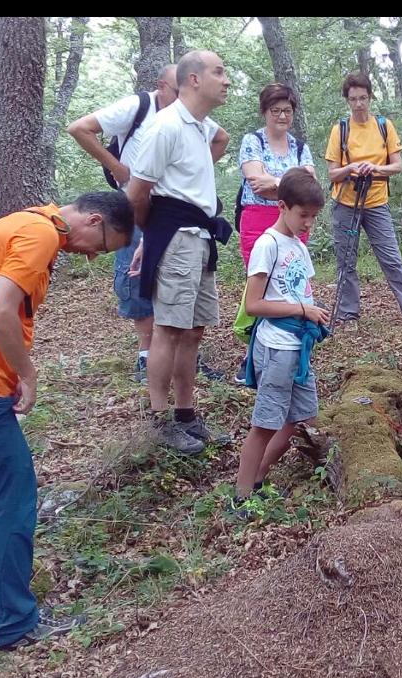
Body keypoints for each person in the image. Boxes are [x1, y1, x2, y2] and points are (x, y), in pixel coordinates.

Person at [0, 192, 134, 651]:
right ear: (93, 219)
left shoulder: (27, 221)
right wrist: (28, 373)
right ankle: (15, 623)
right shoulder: (39, 234)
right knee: (15, 499)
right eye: (102, 244)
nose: (94, 254)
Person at [126, 50, 232, 454]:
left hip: (200, 237)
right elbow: (137, 193)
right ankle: (157, 421)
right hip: (175, 238)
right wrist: (150, 238)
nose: (226, 80)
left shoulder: (200, 126)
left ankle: (186, 416)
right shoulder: (165, 126)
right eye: (218, 72)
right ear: (192, 79)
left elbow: (217, 143)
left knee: (193, 330)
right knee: (168, 329)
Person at [67, 64, 179, 382]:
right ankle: (146, 357)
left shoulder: (187, 116)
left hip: (171, 208)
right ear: (161, 85)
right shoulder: (137, 106)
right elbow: (79, 128)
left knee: (174, 276)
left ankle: (180, 355)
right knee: (135, 276)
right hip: (134, 206)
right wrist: (116, 166)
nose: (182, 97)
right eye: (176, 89)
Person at [231, 168, 329, 514]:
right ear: (283, 206)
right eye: (303, 215)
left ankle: (259, 478)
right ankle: (242, 497)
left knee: (298, 416)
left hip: (296, 346)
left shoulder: (298, 248)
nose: (308, 223)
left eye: (314, 217)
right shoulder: (267, 245)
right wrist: (303, 310)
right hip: (276, 347)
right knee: (265, 422)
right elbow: (254, 304)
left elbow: (299, 288)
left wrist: (311, 313)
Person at [324, 72, 402, 324]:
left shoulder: (384, 126)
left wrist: (374, 168)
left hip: (376, 202)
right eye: (353, 99)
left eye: (363, 98)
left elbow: (397, 165)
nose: (359, 104)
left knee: (391, 257)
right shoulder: (340, 130)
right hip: (345, 203)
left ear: (370, 97)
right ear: (347, 101)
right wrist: (351, 169)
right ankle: (348, 313)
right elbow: (332, 173)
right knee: (346, 260)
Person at [237, 83, 315, 265]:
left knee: (292, 278)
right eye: (275, 110)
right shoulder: (253, 141)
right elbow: (257, 185)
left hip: (295, 220)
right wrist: (293, 184)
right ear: (264, 112)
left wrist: (275, 182)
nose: (282, 116)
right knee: (260, 279)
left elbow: (309, 190)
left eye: (287, 111)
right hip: (257, 220)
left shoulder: (301, 148)